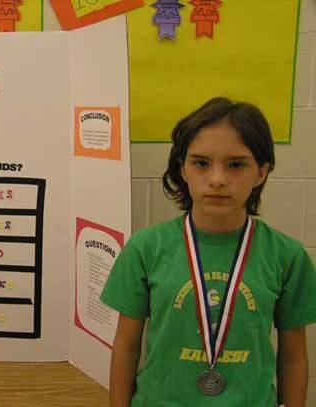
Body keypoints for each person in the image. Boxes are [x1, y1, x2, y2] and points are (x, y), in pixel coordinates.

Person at [100, 97, 316, 407]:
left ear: (261, 172)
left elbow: (293, 356)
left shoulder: (287, 256)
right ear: (183, 169)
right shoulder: (145, 248)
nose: (217, 179)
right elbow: (126, 347)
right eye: (201, 163)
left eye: (236, 165)